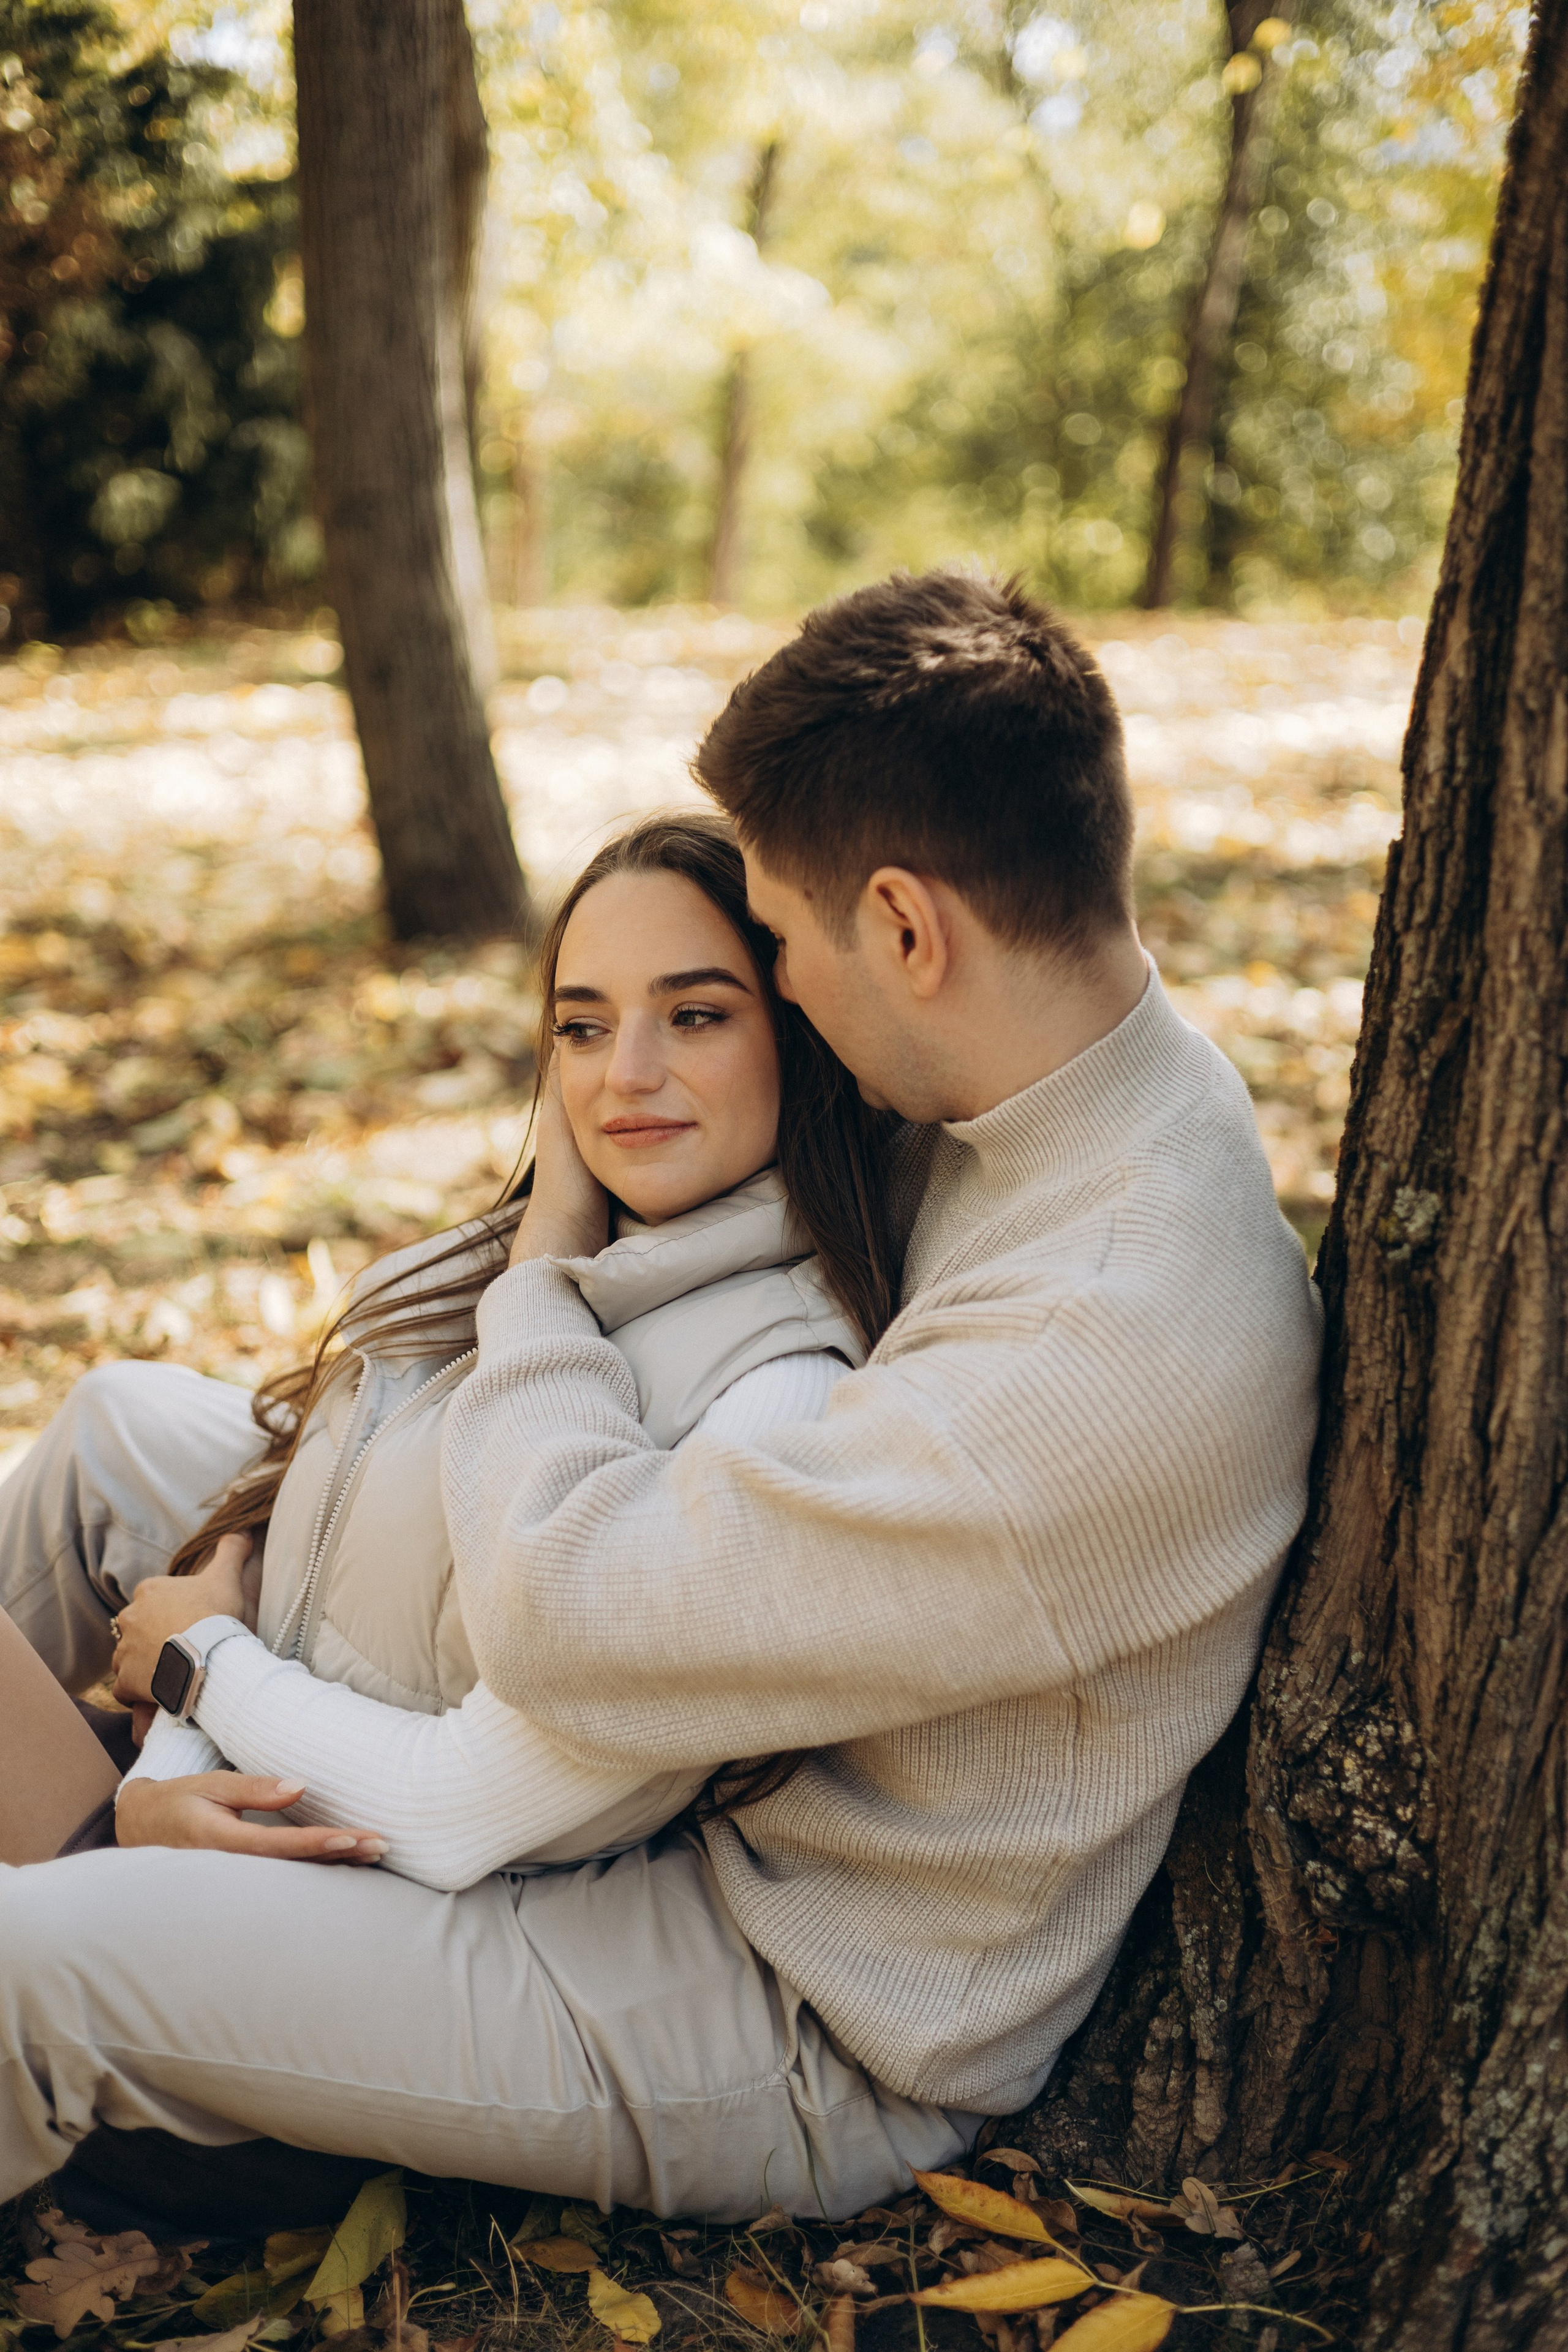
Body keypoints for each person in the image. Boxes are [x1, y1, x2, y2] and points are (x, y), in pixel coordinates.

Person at [0, 570, 1322, 2230]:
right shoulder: (1065, 1065)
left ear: (908, 931)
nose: (771, 983)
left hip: (780, 1991)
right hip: (706, 1759)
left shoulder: (1093, 1351)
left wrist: (543, 1268)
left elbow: (564, 1624)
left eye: (772, 942)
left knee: (28, 1960)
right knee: (122, 1436)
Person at [0, 813, 888, 1891]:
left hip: (351, 1878)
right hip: (236, 1767)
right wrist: (169, 1766)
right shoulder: (566, 1247)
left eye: (694, 1016)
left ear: (802, 1039)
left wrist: (196, 1689)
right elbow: (286, 1539)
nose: (627, 1076)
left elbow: (465, 1807)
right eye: (584, 1029)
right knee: (114, 1416)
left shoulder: (776, 1390)